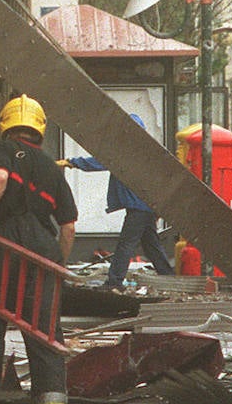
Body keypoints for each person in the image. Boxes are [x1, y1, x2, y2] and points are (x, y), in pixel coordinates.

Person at [0, 95, 77, 404]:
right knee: (44, 330)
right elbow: (69, 227)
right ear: (39, 129)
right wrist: (58, 264)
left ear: (7, 125)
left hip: (3, 249)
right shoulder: (51, 168)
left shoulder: (2, 149)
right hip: (41, 252)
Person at [58, 113, 174, 286]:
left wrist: (71, 162)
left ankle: (114, 281)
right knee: (151, 245)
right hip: (145, 207)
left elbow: (98, 163)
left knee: (125, 245)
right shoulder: (144, 154)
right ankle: (168, 276)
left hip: (139, 208)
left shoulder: (125, 153)